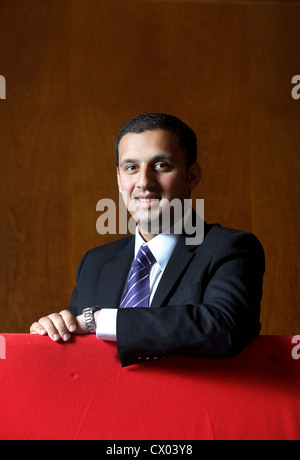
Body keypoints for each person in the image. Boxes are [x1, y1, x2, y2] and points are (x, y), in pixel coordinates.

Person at [30, 113, 265, 367]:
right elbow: (78, 356)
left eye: (161, 165)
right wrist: (53, 330)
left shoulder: (230, 248)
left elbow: (224, 327)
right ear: (119, 179)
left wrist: (99, 321)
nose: (144, 182)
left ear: (192, 176)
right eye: (131, 168)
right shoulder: (94, 263)